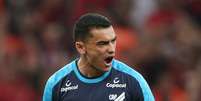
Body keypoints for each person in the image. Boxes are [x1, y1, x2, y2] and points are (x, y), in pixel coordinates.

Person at [43, 13, 155, 101]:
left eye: (112, 42)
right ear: (81, 47)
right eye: (102, 44)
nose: (111, 49)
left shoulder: (133, 81)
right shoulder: (56, 84)